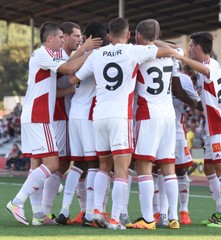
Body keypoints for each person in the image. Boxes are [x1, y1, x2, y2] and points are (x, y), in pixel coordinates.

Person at [69, 17, 177, 230]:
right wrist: (155, 43)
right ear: (128, 35)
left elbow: (73, 79)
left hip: (99, 116)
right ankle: (116, 219)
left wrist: (85, 54)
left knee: (102, 166)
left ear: (109, 36)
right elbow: (169, 52)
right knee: (121, 169)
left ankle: (97, 210)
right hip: (121, 117)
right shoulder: (132, 51)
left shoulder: (97, 54)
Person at [6, 21, 92, 226]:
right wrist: (88, 51)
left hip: (38, 115)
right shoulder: (41, 54)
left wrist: (74, 84)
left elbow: (62, 81)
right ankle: (17, 201)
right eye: (61, 37)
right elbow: (69, 67)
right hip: (38, 115)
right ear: (50, 38)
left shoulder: (55, 55)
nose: (63, 40)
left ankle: (37, 215)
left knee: (36, 165)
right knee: (52, 164)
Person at [172, 31, 221, 228]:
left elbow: (205, 70)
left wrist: (180, 57)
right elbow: (201, 102)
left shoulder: (210, 67)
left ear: (199, 48)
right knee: (210, 168)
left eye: (191, 46)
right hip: (213, 127)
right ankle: (219, 211)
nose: (189, 49)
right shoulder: (206, 69)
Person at [128, 19, 180, 230]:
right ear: (158, 36)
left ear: (138, 35)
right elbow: (178, 49)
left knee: (144, 166)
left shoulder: (137, 54)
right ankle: (173, 217)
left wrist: (151, 41)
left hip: (148, 115)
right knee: (168, 167)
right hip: (169, 116)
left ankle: (148, 218)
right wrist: (157, 41)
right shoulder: (172, 55)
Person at [55, 20, 106, 226]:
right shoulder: (98, 56)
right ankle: (90, 213)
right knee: (93, 163)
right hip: (88, 114)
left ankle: (65, 209)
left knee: (78, 165)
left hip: (74, 112)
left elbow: (68, 75)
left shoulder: (78, 57)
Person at [172, 70, 202, 225]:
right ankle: (158, 213)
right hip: (153, 128)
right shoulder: (145, 68)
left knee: (180, 170)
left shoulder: (183, 78)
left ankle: (184, 210)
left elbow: (198, 103)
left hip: (176, 130)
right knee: (154, 171)